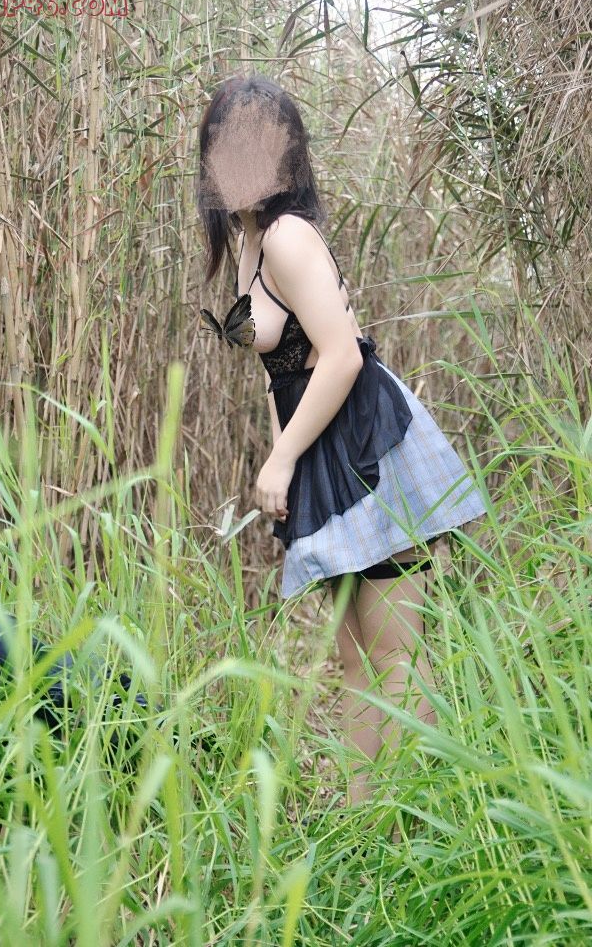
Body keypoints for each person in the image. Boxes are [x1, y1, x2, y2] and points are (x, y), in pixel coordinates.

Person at [196, 73, 488, 827]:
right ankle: (365, 830)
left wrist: (281, 459)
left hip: (364, 445)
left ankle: (419, 824)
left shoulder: (288, 236)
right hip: (319, 450)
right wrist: (284, 460)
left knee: (396, 652)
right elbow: (280, 372)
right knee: (356, 658)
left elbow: (343, 356)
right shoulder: (250, 238)